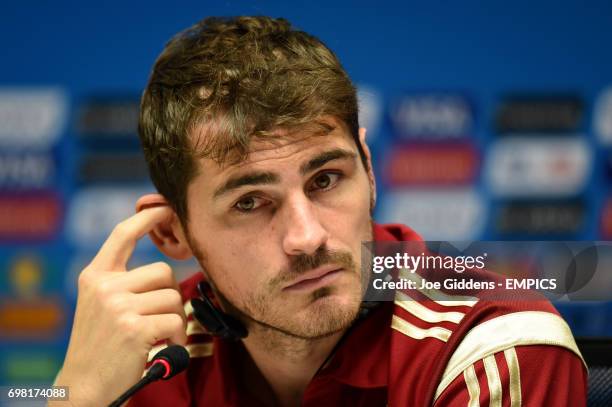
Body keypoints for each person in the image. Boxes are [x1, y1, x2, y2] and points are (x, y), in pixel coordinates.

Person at [52, 16, 587, 406]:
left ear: (369, 170)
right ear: (173, 231)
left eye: (326, 180)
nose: (306, 237)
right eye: (250, 202)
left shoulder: (493, 349)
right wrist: (73, 393)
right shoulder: (153, 358)